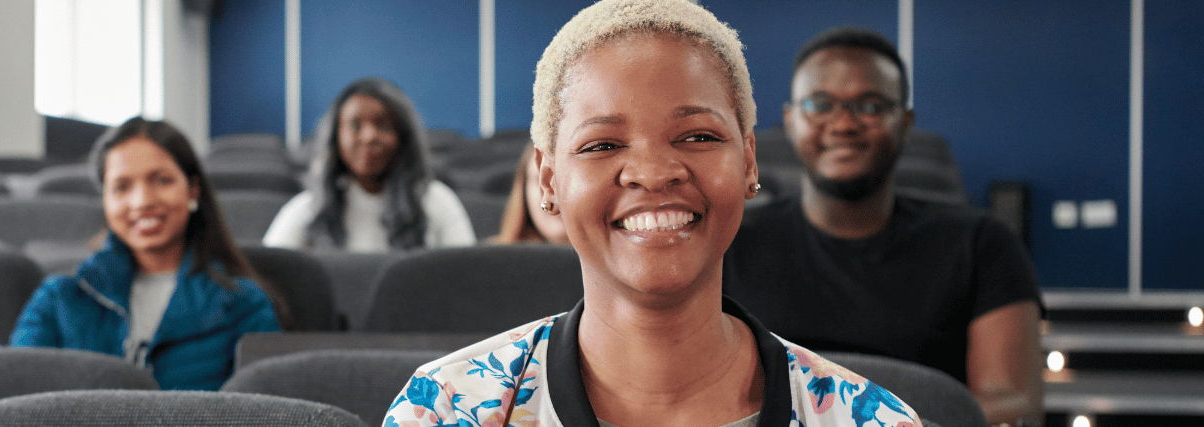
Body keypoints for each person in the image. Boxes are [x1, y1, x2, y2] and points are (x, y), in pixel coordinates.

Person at [385, 1, 922, 426]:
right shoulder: (448, 410)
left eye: (698, 136)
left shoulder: (871, 419)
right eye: (601, 145)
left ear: (748, 162)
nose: (653, 171)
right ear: (548, 180)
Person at [724, 26, 1043, 426]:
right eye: (820, 104)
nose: (843, 124)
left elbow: (1016, 402)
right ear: (790, 120)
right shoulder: (730, 241)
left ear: (905, 122)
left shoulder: (981, 244)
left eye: (871, 106)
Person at [10, 118, 283, 391]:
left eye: (162, 181)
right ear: (105, 200)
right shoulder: (58, 298)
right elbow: (18, 403)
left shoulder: (245, 305)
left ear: (193, 190)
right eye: (122, 187)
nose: (142, 201)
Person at [262, 77, 475, 252]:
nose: (369, 137)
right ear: (336, 139)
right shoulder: (309, 208)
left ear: (403, 137)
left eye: (383, 125)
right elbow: (267, 275)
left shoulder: (438, 202)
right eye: (355, 126)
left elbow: (466, 277)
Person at [492, 147, 569, 245]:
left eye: (565, 180)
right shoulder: (487, 258)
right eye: (541, 181)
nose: (554, 195)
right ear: (524, 191)